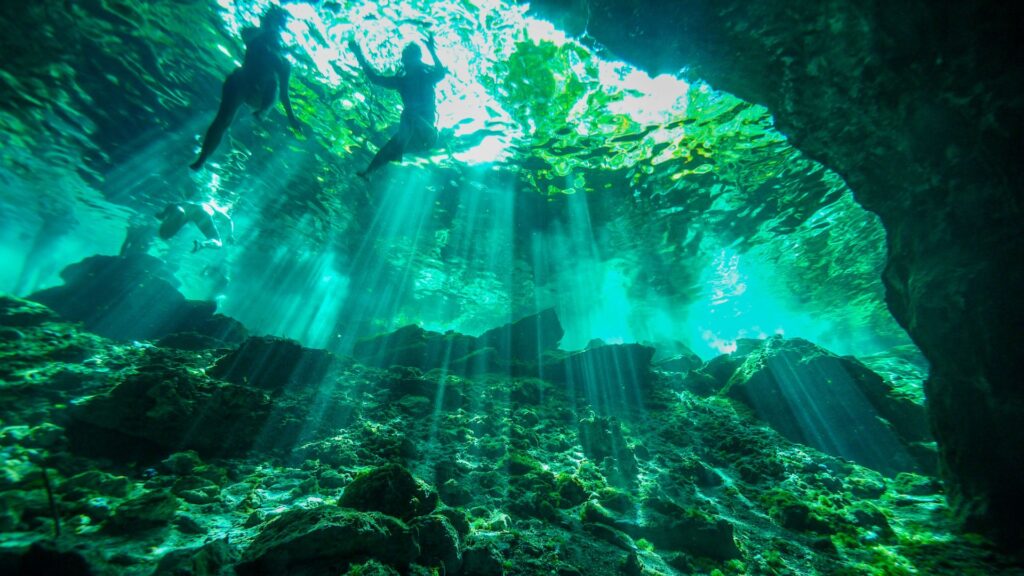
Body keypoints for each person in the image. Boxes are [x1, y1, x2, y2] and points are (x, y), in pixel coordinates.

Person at [190, 6, 302, 170]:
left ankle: (262, 112)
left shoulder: (283, 62)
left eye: (277, 25)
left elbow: (283, 94)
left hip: (260, 96)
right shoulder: (253, 38)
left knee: (274, 84)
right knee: (223, 119)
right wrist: (267, 30)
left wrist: (291, 117)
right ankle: (202, 158)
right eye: (272, 23)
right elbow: (245, 33)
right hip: (241, 82)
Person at [349, 34, 447, 177]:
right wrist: (358, 54)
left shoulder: (426, 77)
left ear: (417, 60)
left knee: (408, 114)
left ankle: (398, 149)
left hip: (428, 133)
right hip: (412, 136)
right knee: (389, 148)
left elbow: (440, 73)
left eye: (411, 58)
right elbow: (375, 79)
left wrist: (432, 50)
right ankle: (368, 173)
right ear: (404, 61)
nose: (408, 62)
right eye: (407, 58)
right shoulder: (401, 81)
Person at [156, 202, 234, 252]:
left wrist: (163, 214)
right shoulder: (217, 209)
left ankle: (166, 214)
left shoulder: (206, 201)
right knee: (218, 243)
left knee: (165, 235)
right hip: (202, 213)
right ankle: (202, 244)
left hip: (188, 207)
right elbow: (229, 220)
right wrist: (230, 234)